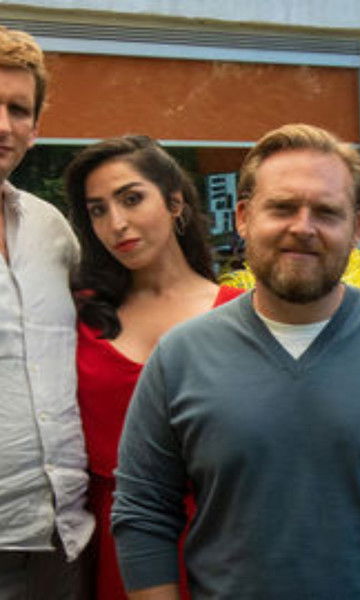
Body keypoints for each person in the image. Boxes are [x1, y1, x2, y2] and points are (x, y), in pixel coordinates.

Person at [112, 123, 360, 600]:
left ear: (356, 229)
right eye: (282, 208)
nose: (303, 227)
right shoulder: (180, 357)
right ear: (243, 217)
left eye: (326, 212)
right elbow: (143, 515)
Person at [65, 135, 244, 600]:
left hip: (224, 534)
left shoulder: (244, 315)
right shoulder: (78, 313)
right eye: (98, 210)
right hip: (111, 539)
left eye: (131, 199)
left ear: (175, 202)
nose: (116, 223)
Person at [0, 25, 94, 598]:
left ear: (35, 128)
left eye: (18, 109)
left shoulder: (50, 228)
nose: (3, 125)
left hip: (65, 539)